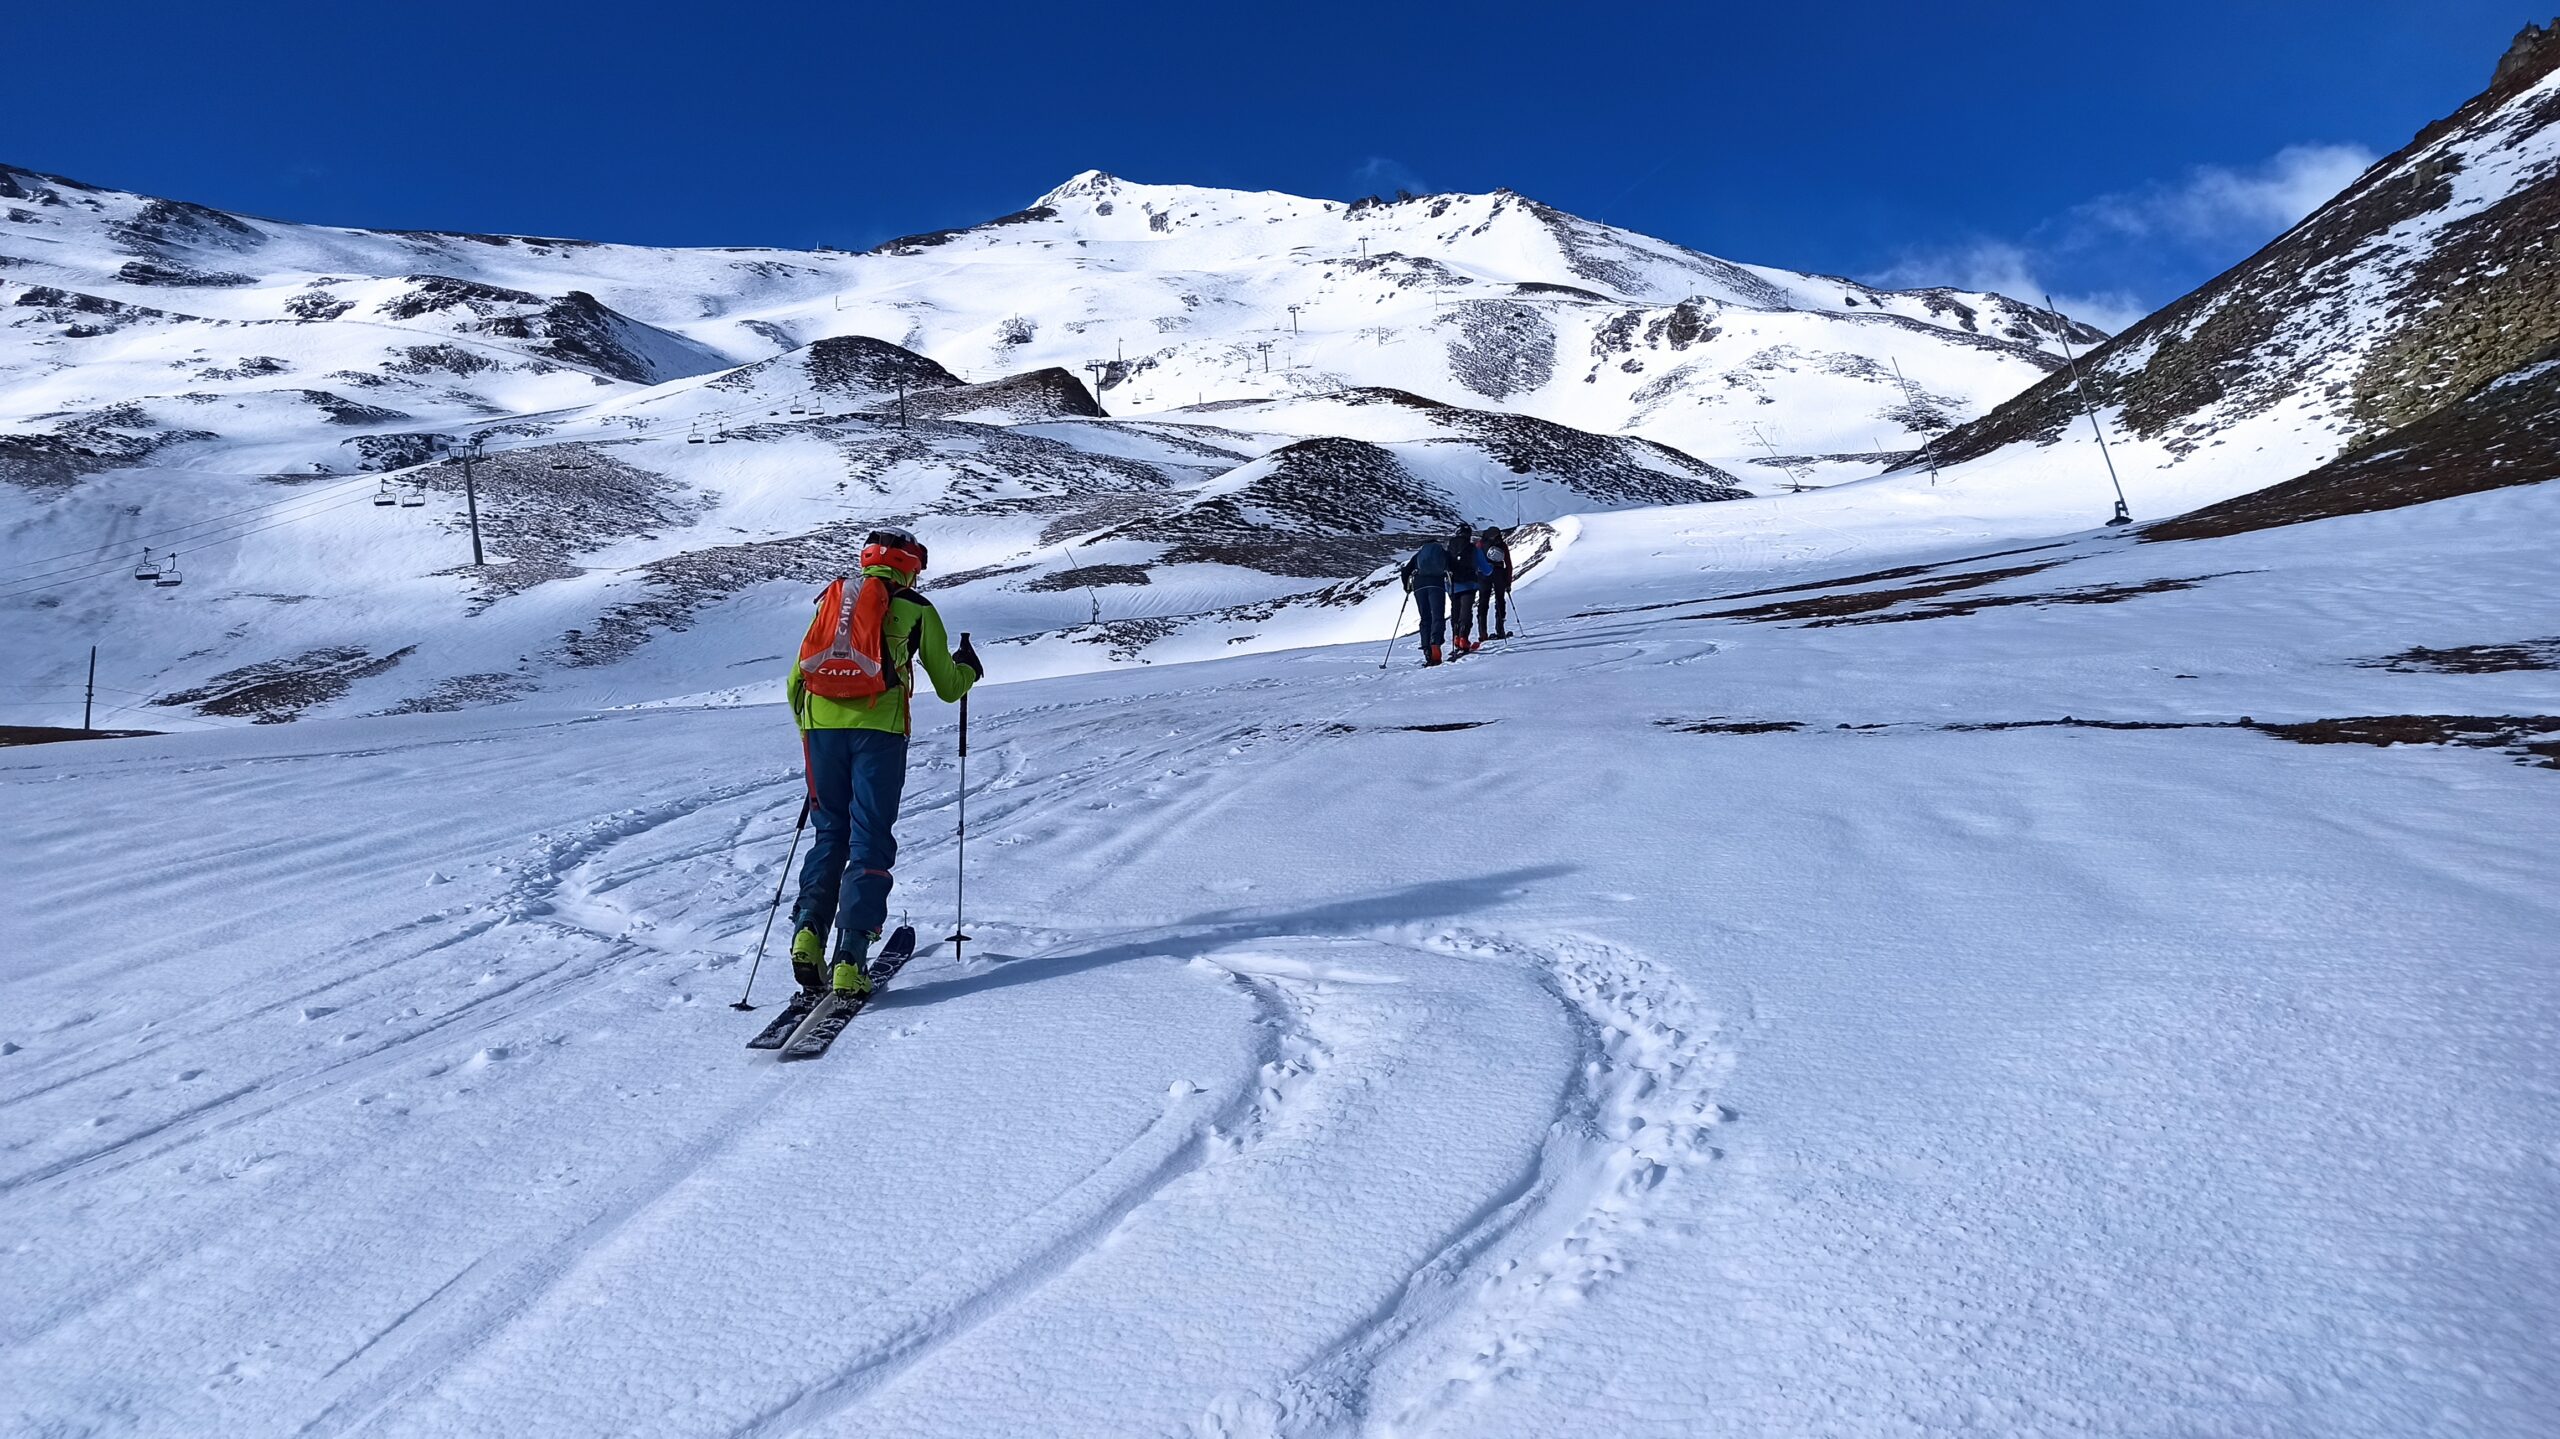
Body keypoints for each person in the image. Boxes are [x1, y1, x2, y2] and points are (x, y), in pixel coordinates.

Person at [785, 527, 980, 996]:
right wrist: (970, 667)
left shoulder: (831, 600)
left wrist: (810, 731)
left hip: (820, 729)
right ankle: (851, 957)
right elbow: (949, 686)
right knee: (869, 836)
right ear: (911, 565)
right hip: (881, 731)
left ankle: (809, 930)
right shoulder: (917, 609)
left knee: (829, 831)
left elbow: (796, 678)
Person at [1399, 534, 1454, 666]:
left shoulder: (1418, 555)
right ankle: (1435, 644)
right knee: (1438, 616)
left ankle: (1427, 650)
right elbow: (1453, 567)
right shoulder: (1442, 553)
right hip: (1436, 585)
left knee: (1425, 617)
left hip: (1419, 586)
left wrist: (1407, 588)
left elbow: (1406, 571)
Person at [1445, 522, 1483, 656]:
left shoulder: (1449, 548)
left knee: (1455, 610)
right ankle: (1463, 638)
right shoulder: (1473, 548)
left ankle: (1456, 637)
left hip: (1453, 585)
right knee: (1466, 611)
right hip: (1469, 584)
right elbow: (1485, 568)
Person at [1475, 526, 1514, 639]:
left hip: (1483, 574)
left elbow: (1476, 560)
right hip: (1499, 573)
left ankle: (1483, 633)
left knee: (1483, 601)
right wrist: (1508, 582)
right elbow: (1508, 564)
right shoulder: (1502, 544)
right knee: (1500, 600)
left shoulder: (1480, 544)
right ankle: (1500, 630)